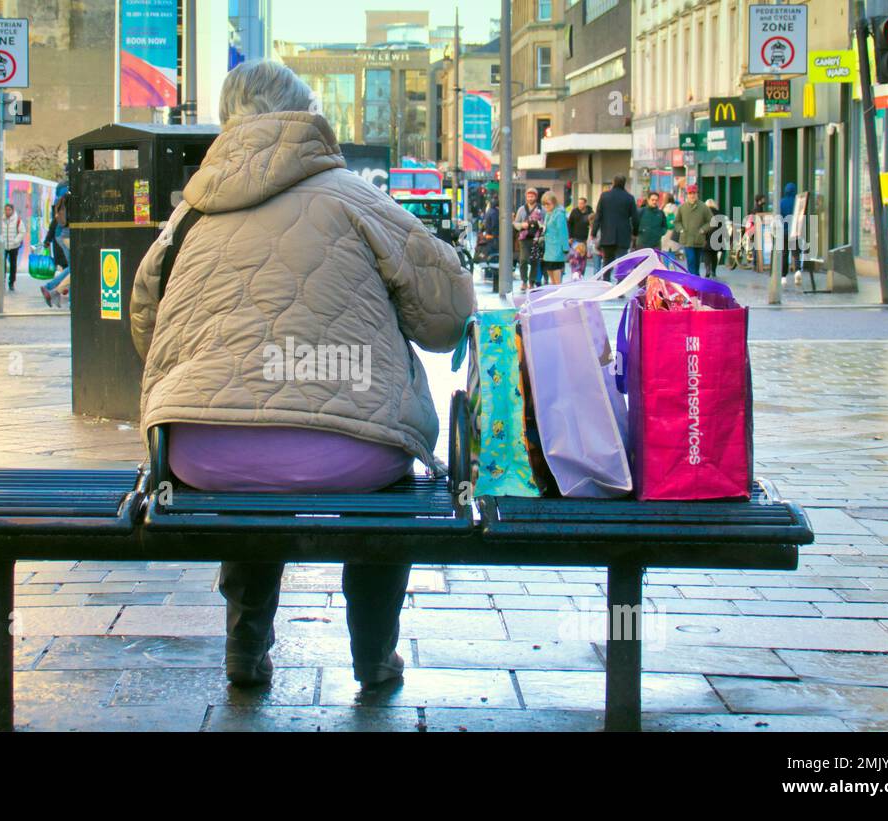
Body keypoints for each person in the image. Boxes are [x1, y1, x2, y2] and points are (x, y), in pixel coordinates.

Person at [131, 60, 474, 689]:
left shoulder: (190, 215)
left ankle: (244, 647)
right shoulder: (357, 197)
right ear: (306, 113)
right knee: (386, 473)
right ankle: (374, 656)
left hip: (201, 451)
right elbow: (446, 320)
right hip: (354, 449)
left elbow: (144, 326)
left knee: (245, 449)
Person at [591, 174, 639, 265]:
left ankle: (607, 274)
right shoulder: (629, 198)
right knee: (621, 263)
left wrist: (594, 232)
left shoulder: (605, 196)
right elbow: (635, 218)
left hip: (607, 235)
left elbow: (598, 216)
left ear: (613, 182)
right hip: (623, 236)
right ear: (624, 183)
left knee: (607, 263)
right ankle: (620, 274)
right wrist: (635, 233)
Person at [40, 196, 71, 307]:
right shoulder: (71, 199)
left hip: (64, 236)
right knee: (75, 268)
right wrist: (48, 240)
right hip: (67, 236)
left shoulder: (64, 199)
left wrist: (48, 240)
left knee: (73, 268)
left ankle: (55, 291)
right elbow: (54, 224)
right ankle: (52, 289)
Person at [676, 185, 713, 275]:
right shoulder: (682, 207)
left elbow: (712, 221)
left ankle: (696, 278)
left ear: (697, 194)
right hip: (687, 239)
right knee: (691, 260)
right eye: (690, 193)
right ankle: (693, 279)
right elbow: (677, 222)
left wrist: (703, 229)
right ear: (687, 195)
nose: (692, 195)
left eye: (694, 193)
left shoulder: (703, 207)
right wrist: (681, 229)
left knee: (696, 262)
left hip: (699, 239)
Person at [513, 188, 543, 290]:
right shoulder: (521, 209)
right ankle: (524, 281)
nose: (530, 198)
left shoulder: (541, 209)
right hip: (524, 238)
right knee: (523, 260)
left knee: (534, 260)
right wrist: (522, 225)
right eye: (528, 196)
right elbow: (515, 223)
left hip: (536, 238)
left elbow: (544, 223)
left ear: (536, 197)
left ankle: (532, 281)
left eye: (532, 196)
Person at [540, 193, 570, 285]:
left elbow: (563, 232)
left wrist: (565, 247)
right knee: (549, 269)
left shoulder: (559, 214)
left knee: (556, 269)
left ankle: (558, 290)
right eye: (544, 204)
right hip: (549, 247)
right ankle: (554, 289)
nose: (546, 206)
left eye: (548, 204)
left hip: (557, 247)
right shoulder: (548, 214)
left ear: (554, 202)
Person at [0, 203, 27, 291]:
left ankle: (11, 282)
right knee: (2, 264)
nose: (7, 211)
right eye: (6, 209)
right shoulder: (0, 220)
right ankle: (2, 280)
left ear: (12, 210)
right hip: (3, 246)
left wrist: (16, 241)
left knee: (13, 264)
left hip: (14, 246)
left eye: (9, 210)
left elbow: (22, 232)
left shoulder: (17, 220)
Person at [779, 182, 799, 281]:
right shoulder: (797, 202)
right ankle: (797, 271)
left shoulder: (781, 202)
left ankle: (783, 276)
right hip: (794, 231)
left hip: (784, 231)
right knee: (796, 252)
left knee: (784, 253)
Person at [703, 198, 724, 278]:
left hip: (707, 237)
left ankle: (707, 269)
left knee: (707, 254)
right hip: (716, 237)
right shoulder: (719, 213)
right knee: (714, 255)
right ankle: (713, 271)